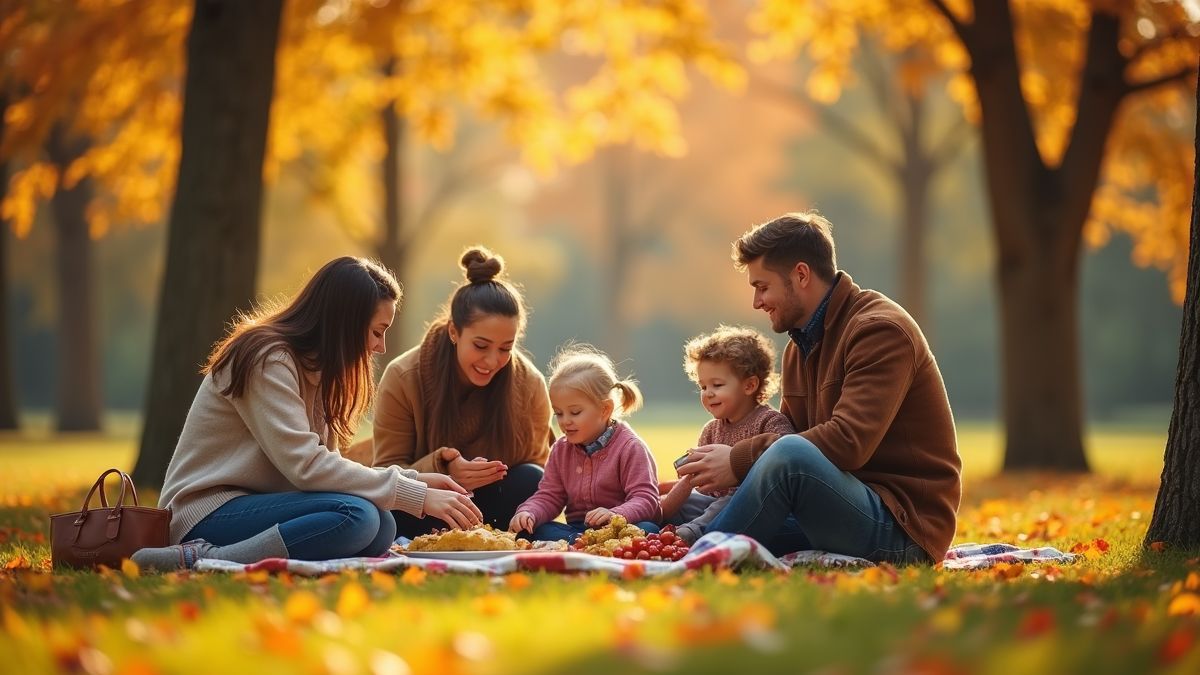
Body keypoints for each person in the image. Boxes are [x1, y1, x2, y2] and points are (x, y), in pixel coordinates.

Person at [132, 257, 481, 571]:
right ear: (345, 321)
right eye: (377, 331)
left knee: (382, 524)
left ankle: (235, 553)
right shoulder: (267, 358)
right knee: (356, 516)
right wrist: (415, 495)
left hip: (261, 502)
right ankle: (200, 558)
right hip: (208, 510)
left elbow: (327, 467)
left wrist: (414, 481)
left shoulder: (320, 370)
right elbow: (306, 466)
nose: (380, 347)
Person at [677, 212, 961, 564]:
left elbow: (844, 443)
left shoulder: (879, 331)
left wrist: (738, 460)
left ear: (800, 274)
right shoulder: (800, 345)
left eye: (762, 287)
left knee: (790, 455)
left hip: (900, 528)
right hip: (833, 505)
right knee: (690, 504)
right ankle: (627, 535)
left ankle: (694, 558)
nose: (757, 302)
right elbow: (786, 439)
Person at [370, 247, 554, 536]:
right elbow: (385, 472)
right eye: (481, 346)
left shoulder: (529, 383)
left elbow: (542, 472)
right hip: (424, 505)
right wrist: (445, 472)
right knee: (381, 512)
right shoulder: (403, 376)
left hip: (495, 505)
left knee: (531, 478)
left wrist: (487, 474)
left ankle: (495, 535)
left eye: (506, 348)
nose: (492, 361)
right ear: (454, 331)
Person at [509, 345, 661, 541]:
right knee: (533, 531)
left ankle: (579, 547)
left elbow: (646, 499)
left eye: (575, 412)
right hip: (577, 529)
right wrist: (529, 513)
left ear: (605, 409)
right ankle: (580, 545)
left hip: (622, 529)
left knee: (648, 530)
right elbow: (549, 496)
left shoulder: (630, 447)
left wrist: (616, 515)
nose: (565, 421)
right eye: (559, 413)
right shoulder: (561, 450)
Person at [660, 325, 795, 544]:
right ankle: (666, 526)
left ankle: (692, 534)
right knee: (690, 502)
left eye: (717, 385)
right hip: (712, 504)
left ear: (750, 385)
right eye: (702, 386)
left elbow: (784, 462)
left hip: (753, 507)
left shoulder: (769, 422)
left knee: (729, 500)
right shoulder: (711, 430)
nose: (708, 393)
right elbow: (701, 488)